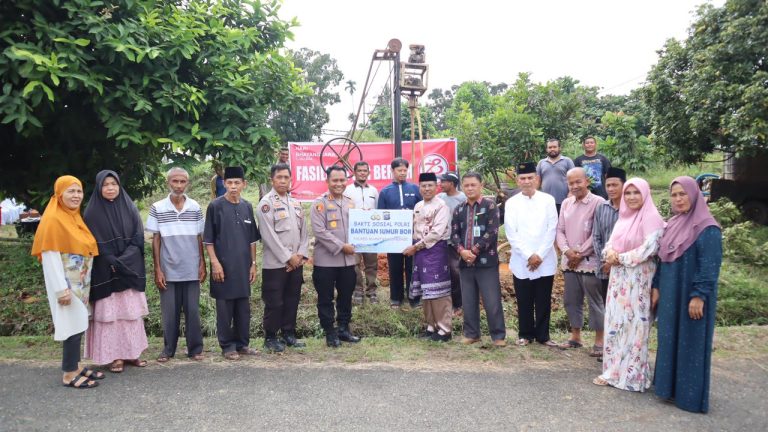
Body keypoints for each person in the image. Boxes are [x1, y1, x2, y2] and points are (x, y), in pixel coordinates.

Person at [653, 176, 722, 413]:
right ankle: (668, 389)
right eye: (674, 195)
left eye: (683, 194)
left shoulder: (707, 227)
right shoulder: (671, 224)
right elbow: (661, 260)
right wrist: (657, 287)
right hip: (671, 295)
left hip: (691, 296)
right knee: (669, 338)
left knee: (691, 341)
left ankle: (689, 396)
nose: (678, 199)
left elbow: (710, 265)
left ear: (694, 194)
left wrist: (699, 296)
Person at [31, 175, 103, 388]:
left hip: (79, 282)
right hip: (66, 285)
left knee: (79, 322)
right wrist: (60, 289)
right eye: (70, 191)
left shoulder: (73, 217)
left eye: (79, 191)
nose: (76, 195)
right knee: (71, 325)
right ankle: (69, 373)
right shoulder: (53, 219)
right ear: (59, 194)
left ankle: (76, 366)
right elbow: (50, 258)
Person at [593, 178, 664, 391]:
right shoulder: (624, 218)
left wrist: (619, 258)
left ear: (645, 194)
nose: (631, 197)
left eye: (636, 193)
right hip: (618, 281)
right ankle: (612, 372)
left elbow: (649, 249)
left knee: (635, 326)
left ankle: (633, 376)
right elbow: (608, 245)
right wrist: (609, 254)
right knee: (616, 324)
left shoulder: (652, 218)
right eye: (628, 193)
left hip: (639, 280)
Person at [84, 170, 149, 373]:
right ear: (98, 187)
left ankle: (132, 353)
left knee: (130, 314)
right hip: (106, 269)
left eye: (114, 184)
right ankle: (115, 356)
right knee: (110, 316)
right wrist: (112, 260)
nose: (110, 188)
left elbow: (138, 236)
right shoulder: (91, 212)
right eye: (105, 184)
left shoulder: (129, 207)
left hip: (128, 267)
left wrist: (123, 260)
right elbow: (92, 242)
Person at [146, 167, 206, 363]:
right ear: (168, 183)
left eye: (182, 182)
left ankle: (195, 349)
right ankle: (168, 349)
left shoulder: (195, 207)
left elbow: (199, 237)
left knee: (192, 311)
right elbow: (156, 239)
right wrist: (157, 269)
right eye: (175, 182)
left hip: (191, 268)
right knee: (169, 313)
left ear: (187, 184)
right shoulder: (157, 207)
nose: (179, 186)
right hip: (168, 269)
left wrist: (202, 264)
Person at [203, 166, 261, 360]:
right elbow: (208, 240)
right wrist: (215, 263)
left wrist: (253, 263)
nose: (233, 186)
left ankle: (242, 344)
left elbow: (252, 239)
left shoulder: (247, 206)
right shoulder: (215, 206)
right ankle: (227, 346)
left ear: (244, 185)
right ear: (224, 184)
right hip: (223, 267)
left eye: (237, 183)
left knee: (243, 308)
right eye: (229, 183)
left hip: (243, 266)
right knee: (225, 308)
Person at [504, 162, 559, 347]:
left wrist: (539, 255)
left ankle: (543, 336)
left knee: (543, 299)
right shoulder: (511, 203)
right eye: (522, 178)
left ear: (536, 179)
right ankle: (525, 334)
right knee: (524, 298)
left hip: (544, 258)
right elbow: (512, 233)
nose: (527, 181)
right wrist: (529, 255)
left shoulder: (548, 200)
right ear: (518, 181)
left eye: (530, 178)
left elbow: (552, 229)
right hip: (522, 259)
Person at [256, 162, 309, 352]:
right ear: (272, 179)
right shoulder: (266, 204)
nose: (283, 181)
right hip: (276, 264)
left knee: (291, 299)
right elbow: (268, 236)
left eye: (286, 177)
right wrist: (288, 258)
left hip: (296, 263)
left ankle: (288, 334)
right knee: (274, 301)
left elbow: (304, 233)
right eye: (279, 177)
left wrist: (301, 255)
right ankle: (270, 337)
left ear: (290, 179)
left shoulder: (295, 203)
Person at [451, 172, 506, 346]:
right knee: (468, 301)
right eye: (466, 185)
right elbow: (453, 234)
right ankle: (472, 333)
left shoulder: (490, 206)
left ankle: (498, 336)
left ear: (481, 185)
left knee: (492, 301)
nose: (470, 188)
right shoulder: (459, 209)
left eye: (473, 184)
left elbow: (492, 232)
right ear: (462, 187)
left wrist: (473, 251)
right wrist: (462, 251)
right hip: (464, 263)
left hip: (486, 262)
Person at [556, 167, 606, 353]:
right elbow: (559, 231)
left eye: (578, 182)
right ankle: (575, 336)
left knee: (595, 301)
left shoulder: (598, 202)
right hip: (570, 261)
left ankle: (599, 340)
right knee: (571, 300)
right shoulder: (567, 203)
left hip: (590, 262)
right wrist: (568, 252)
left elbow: (598, 233)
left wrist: (580, 254)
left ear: (587, 181)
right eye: (571, 183)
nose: (575, 186)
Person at [311, 166, 362, 347]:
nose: (339, 184)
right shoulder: (320, 204)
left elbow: (359, 229)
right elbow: (320, 231)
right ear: (328, 181)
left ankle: (343, 329)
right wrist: (342, 246)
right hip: (326, 262)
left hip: (348, 262)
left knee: (346, 296)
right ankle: (330, 333)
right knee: (325, 298)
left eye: (342, 180)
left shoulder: (350, 203)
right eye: (335, 180)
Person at [403, 172, 453, 342]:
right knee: (426, 290)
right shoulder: (417, 205)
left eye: (430, 185)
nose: (426, 189)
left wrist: (415, 246)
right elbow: (412, 228)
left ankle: (445, 329)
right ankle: (431, 326)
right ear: (419, 188)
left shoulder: (441, 206)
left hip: (435, 251)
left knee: (438, 291)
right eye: (423, 186)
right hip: (420, 253)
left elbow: (436, 233)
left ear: (436, 186)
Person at [377, 158, 422, 308]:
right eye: (399, 170)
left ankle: (414, 298)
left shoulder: (415, 189)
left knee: (412, 267)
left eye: (404, 170)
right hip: (393, 237)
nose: (402, 173)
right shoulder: (385, 191)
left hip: (412, 236)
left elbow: (422, 209)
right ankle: (396, 298)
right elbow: (381, 215)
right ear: (392, 171)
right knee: (395, 267)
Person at [344, 161, 380, 305]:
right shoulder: (347, 190)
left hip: (370, 233)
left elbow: (378, 210)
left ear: (368, 172)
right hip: (354, 232)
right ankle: (357, 290)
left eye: (365, 170)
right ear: (355, 172)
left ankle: (372, 291)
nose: (362, 173)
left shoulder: (373, 191)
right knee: (355, 263)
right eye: (360, 170)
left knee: (371, 263)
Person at [593, 167, 627, 302]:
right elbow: (596, 237)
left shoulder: (632, 209)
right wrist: (605, 261)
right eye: (608, 185)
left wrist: (616, 261)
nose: (611, 189)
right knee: (608, 307)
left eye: (615, 185)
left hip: (625, 268)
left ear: (624, 185)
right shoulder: (601, 208)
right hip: (605, 269)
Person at [438, 171, 466, 315]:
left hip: (455, 241)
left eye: (443, 182)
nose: (440, 184)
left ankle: (459, 304)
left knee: (455, 271)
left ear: (452, 183)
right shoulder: (440, 197)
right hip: (440, 240)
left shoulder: (462, 198)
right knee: (442, 271)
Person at [536, 138, 575, 214]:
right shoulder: (541, 163)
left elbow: (573, 179)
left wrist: (571, 193)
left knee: (562, 224)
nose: (552, 149)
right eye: (550, 147)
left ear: (559, 148)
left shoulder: (567, 161)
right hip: (545, 201)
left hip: (564, 200)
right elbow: (537, 180)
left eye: (554, 147)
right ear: (547, 149)